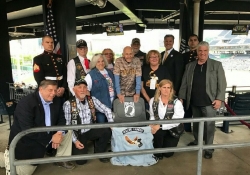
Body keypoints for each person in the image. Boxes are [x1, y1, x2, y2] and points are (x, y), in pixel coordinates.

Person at [0, 80, 74, 175]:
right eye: (50, 90)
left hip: (47, 136)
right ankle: (6, 157)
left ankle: (61, 159)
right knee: (24, 172)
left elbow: (62, 119)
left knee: (68, 131)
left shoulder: (57, 101)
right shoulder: (26, 103)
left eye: (55, 90)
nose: (53, 93)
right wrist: (52, 138)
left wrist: (59, 132)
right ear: (41, 89)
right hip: (27, 141)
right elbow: (28, 130)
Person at [179, 41, 227, 159]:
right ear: (197, 51)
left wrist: (219, 99)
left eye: (205, 51)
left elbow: (222, 84)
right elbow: (184, 83)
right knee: (196, 123)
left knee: (209, 126)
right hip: (194, 101)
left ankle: (209, 148)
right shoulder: (190, 66)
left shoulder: (216, 65)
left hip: (209, 102)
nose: (202, 53)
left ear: (208, 51)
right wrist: (181, 97)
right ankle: (197, 141)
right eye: (200, 50)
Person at [63, 78, 113, 165]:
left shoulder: (91, 99)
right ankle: (77, 147)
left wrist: (111, 123)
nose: (82, 89)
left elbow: (107, 110)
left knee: (107, 131)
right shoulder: (68, 104)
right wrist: (75, 141)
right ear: (74, 89)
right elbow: (67, 126)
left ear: (87, 89)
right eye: (79, 87)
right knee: (81, 161)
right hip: (78, 133)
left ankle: (99, 151)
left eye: (84, 87)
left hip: (91, 129)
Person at [149, 79, 184, 160]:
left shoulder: (177, 102)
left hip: (173, 129)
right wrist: (152, 125)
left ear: (171, 90)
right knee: (158, 151)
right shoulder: (153, 100)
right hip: (159, 128)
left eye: (169, 88)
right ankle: (158, 149)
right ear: (159, 88)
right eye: (164, 87)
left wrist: (160, 125)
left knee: (168, 154)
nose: (166, 90)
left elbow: (177, 120)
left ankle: (163, 144)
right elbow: (152, 116)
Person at [84, 54, 115, 123]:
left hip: (112, 106)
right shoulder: (90, 75)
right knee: (102, 129)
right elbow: (86, 91)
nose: (101, 63)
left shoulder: (109, 72)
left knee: (113, 129)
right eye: (98, 61)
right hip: (99, 110)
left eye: (102, 61)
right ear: (94, 63)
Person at [141, 50, 171, 118]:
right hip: (146, 100)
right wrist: (149, 100)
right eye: (151, 57)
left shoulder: (164, 69)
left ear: (159, 58)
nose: (154, 58)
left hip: (160, 101)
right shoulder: (144, 69)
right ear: (148, 59)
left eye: (156, 57)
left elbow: (168, 85)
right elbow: (141, 86)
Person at [182, 34, 199, 132]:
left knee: (196, 112)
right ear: (188, 42)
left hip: (196, 87)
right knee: (186, 110)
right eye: (190, 40)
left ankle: (198, 133)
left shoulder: (201, 55)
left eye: (195, 40)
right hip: (186, 86)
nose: (192, 42)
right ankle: (186, 129)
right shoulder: (184, 56)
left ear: (198, 42)